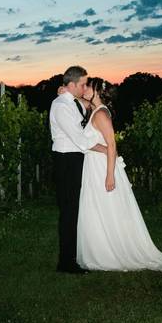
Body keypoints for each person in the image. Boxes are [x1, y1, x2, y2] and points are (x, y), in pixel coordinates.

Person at [74, 77, 162, 272]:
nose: (84, 88)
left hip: (102, 168)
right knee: (99, 208)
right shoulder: (96, 111)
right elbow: (82, 104)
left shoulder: (100, 115)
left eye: (88, 86)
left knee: (106, 207)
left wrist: (110, 176)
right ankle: (101, 249)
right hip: (95, 164)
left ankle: (111, 253)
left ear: (97, 91)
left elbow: (112, 145)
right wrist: (66, 92)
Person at [48, 66, 107, 274]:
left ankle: (74, 256)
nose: (85, 88)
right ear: (72, 84)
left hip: (75, 159)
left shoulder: (71, 101)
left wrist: (76, 97)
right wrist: (105, 144)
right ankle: (66, 262)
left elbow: (84, 109)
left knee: (75, 210)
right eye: (82, 84)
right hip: (66, 161)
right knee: (69, 212)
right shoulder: (61, 107)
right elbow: (81, 140)